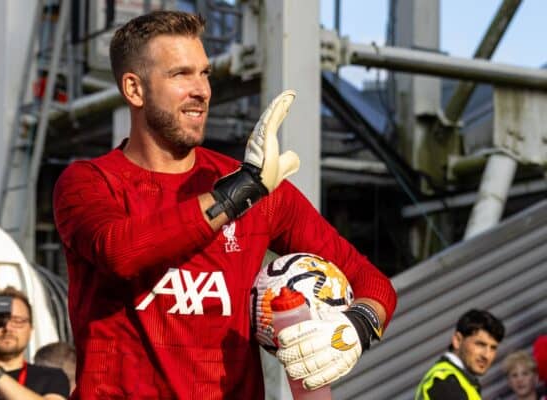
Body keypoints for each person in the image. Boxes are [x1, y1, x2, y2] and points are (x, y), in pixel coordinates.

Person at [52, 10, 397, 400]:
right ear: (135, 89)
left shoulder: (257, 188)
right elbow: (119, 251)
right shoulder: (88, 183)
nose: (201, 90)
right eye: (181, 74)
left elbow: (372, 283)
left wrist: (356, 327)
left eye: (205, 73)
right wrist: (238, 194)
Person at [415, 309, 505, 400]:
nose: (487, 355)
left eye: (493, 348)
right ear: (457, 340)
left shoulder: (459, 380)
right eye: (480, 344)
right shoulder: (446, 382)